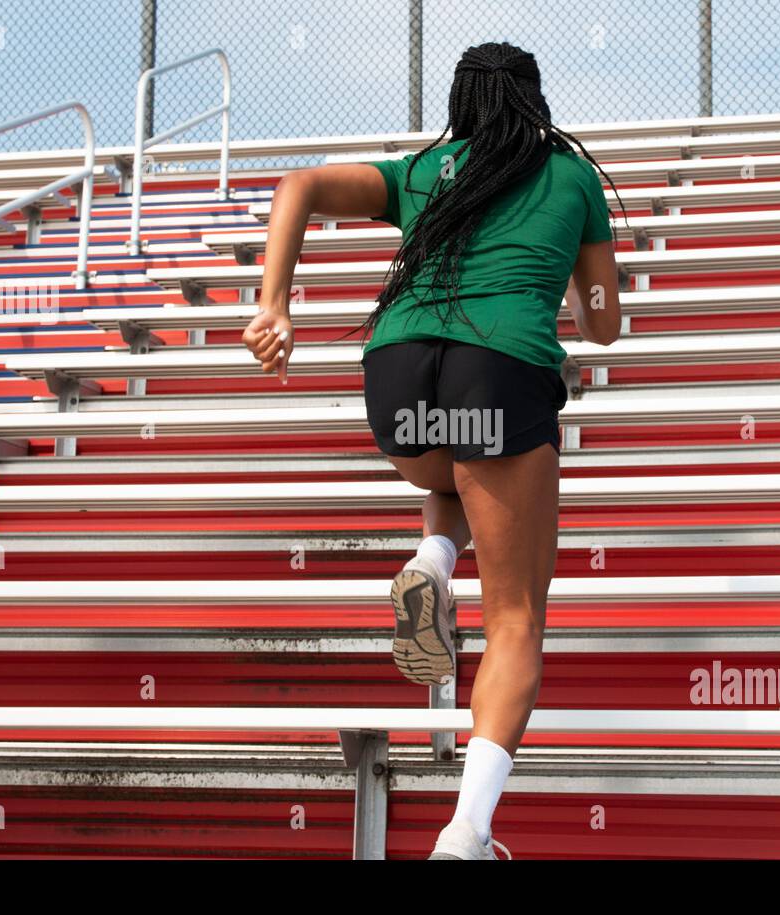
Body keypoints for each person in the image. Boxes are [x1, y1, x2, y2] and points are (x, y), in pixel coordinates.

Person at [243, 40, 624, 860]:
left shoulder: (425, 171)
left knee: (458, 455)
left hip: (396, 384)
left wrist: (275, 305)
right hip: (497, 378)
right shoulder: (572, 175)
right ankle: (467, 832)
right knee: (517, 616)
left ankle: (433, 559)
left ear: (460, 102)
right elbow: (600, 320)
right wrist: (582, 288)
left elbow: (297, 184)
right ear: (535, 101)